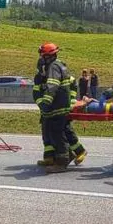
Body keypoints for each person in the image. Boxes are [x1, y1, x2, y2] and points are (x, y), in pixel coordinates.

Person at [35, 42, 73, 173]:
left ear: (47, 56)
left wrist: (45, 103)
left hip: (57, 106)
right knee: (58, 132)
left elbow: (52, 85)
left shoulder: (53, 67)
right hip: (62, 105)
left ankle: (61, 163)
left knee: (57, 134)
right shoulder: (60, 65)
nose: (41, 58)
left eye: (42, 56)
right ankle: (68, 155)